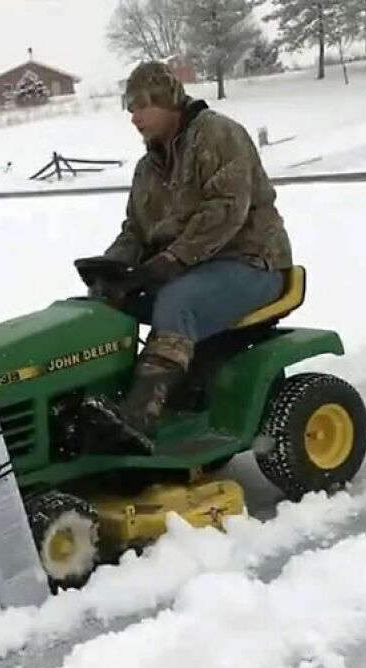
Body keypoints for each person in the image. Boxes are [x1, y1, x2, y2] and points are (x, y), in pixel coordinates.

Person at [81, 60, 293, 454]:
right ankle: (93, 406)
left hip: (250, 261)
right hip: (189, 268)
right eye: (129, 109)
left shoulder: (217, 134)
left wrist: (172, 261)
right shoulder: (148, 168)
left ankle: (140, 416)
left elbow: (226, 209)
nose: (135, 118)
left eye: (141, 106)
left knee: (177, 303)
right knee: (103, 307)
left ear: (169, 101)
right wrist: (112, 272)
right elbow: (135, 231)